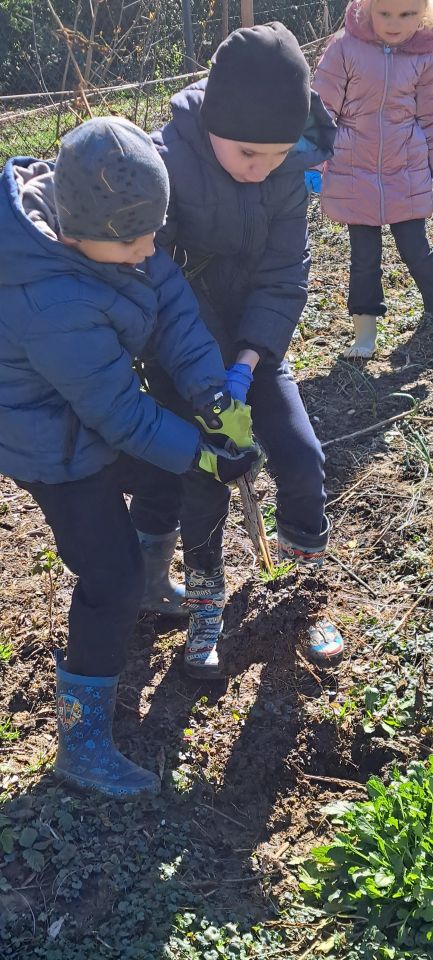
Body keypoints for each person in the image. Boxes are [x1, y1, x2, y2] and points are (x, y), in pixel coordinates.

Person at [0, 117, 258, 797]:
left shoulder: (117, 229)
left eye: (154, 233)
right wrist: (205, 457)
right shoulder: (44, 299)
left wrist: (209, 393)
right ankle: (80, 743)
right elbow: (118, 413)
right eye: (135, 241)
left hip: (93, 419)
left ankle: (151, 583)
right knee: (105, 576)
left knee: (163, 479)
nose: (152, 251)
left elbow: (172, 308)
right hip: (51, 448)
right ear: (77, 234)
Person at [129, 22, 344, 680]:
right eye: (248, 153)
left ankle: (300, 592)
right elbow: (156, 289)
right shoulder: (161, 165)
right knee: (204, 483)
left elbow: (285, 276)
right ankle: (202, 604)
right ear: (215, 123)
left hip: (253, 349)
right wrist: (208, 390)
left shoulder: (286, 170)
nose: (261, 167)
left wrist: (248, 367)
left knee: (302, 457)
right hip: (178, 357)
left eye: (275, 155)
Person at [314, 0, 433, 358]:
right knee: (364, 257)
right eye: (386, 13)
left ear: (423, 15)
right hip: (354, 172)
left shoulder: (424, 54)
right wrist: (312, 163)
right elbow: (319, 109)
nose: (395, 23)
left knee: (417, 250)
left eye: (407, 14)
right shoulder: (344, 48)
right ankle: (365, 334)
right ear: (367, 9)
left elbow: (429, 118)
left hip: (406, 171)